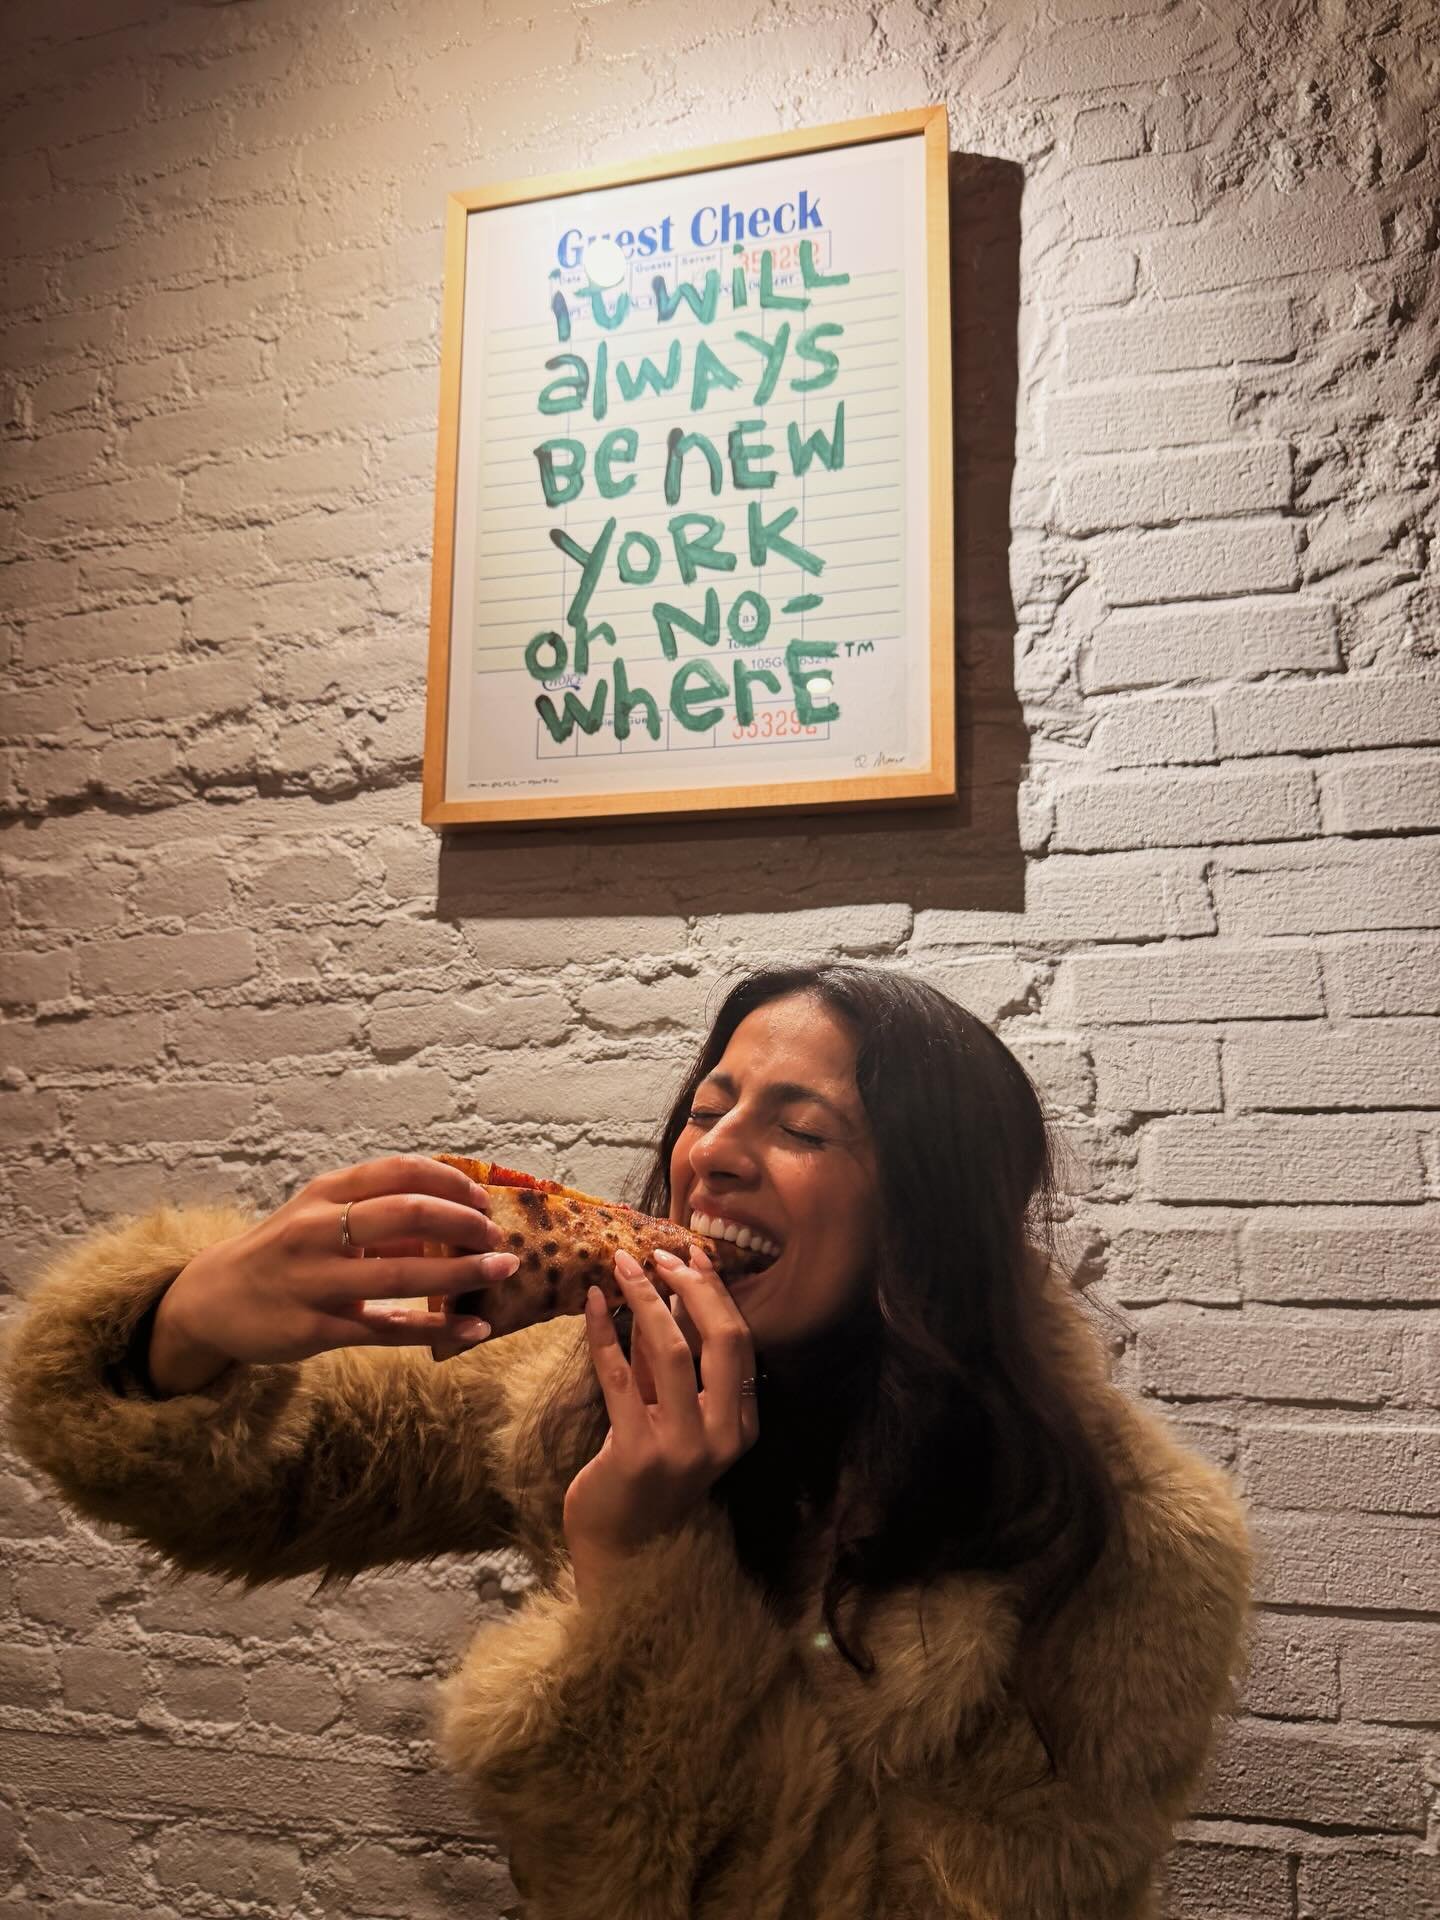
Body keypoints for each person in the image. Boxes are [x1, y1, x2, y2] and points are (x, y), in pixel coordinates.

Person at [2, 964, 1251, 1918]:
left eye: (802, 1128)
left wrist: (637, 1571)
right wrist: (185, 1325)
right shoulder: (578, 1384)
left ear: (927, 1212)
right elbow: (276, 1489)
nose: (713, 1155)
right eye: (709, 1107)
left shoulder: (1133, 1546)